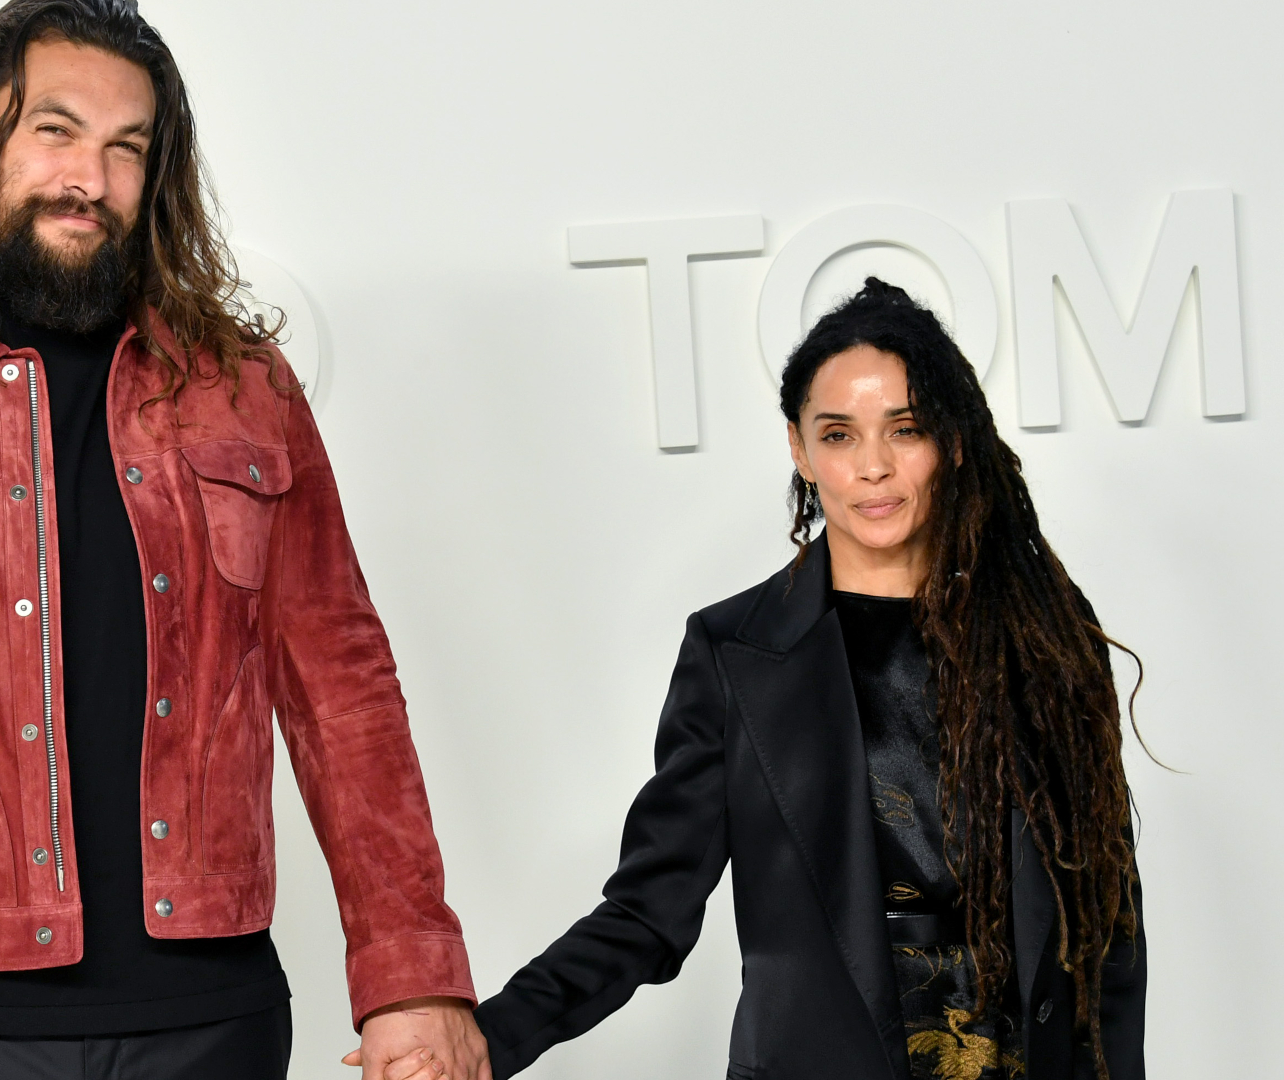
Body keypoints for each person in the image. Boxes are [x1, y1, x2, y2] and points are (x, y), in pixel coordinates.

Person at [0, 4, 483, 1079]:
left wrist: (415, 980)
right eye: (56, 132)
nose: (92, 177)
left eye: (129, 147)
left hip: (212, 1017)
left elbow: (343, 695)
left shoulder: (246, 393)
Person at [391, 278, 1147, 1080]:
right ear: (800, 449)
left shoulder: (1046, 643)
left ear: (952, 442)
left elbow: (1107, 928)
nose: (875, 467)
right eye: (840, 435)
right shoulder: (733, 653)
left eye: (906, 429)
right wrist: (490, 1036)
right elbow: (650, 911)